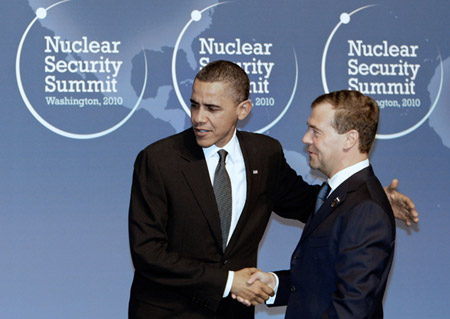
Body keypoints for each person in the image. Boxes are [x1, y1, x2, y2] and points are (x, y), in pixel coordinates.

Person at [128, 61, 418, 319]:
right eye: (194, 104)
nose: (198, 118)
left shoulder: (264, 154)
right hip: (169, 312)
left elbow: (308, 204)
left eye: (212, 108)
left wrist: (368, 198)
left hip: (233, 313)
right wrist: (228, 282)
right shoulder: (158, 160)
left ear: (243, 109)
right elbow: (147, 252)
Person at [240, 90, 399, 318]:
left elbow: (351, 308)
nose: (306, 139)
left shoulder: (366, 209)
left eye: (316, 132)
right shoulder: (336, 196)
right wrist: (274, 284)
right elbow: (322, 280)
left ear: (350, 139)